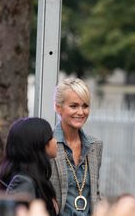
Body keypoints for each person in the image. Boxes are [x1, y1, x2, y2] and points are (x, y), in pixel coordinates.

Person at [50, 77, 103, 215]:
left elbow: (94, 194)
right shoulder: (47, 144)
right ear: (58, 107)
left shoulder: (95, 145)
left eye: (85, 106)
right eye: (74, 106)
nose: (81, 112)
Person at [0, 117, 59, 216]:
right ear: (38, 143)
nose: (56, 141)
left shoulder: (37, 176)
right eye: (51, 136)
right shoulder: (23, 181)